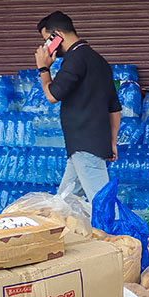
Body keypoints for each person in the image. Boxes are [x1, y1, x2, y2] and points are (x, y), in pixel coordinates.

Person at [34, 11, 120, 204]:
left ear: (58, 36)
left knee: (102, 205)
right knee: (64, 203)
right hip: (84, 148)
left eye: (48, 40)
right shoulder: (99, 61)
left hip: (85, 146)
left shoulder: (74, 60)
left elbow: (52, 95)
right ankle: (64, 233)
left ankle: (118, 234)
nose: (47, 46)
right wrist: (111, 142)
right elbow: (114, 108)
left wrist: (43, 68)